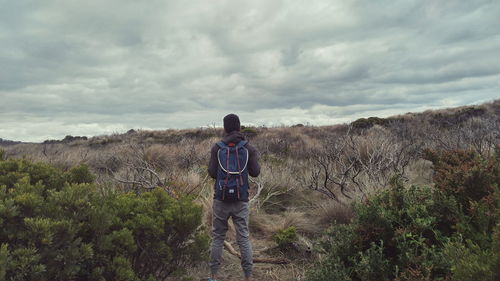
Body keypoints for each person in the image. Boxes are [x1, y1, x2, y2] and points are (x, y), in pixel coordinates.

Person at [207, 113, 261, 281]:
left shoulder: (217, 147)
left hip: (221, 199)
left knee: (217, 237)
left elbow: (211, 172)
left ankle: (214, 276)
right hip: (241, 199)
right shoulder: (248, 148)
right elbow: (256, 172)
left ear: (225, 128)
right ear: (239, 127)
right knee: (243, 237)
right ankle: (248, 277)